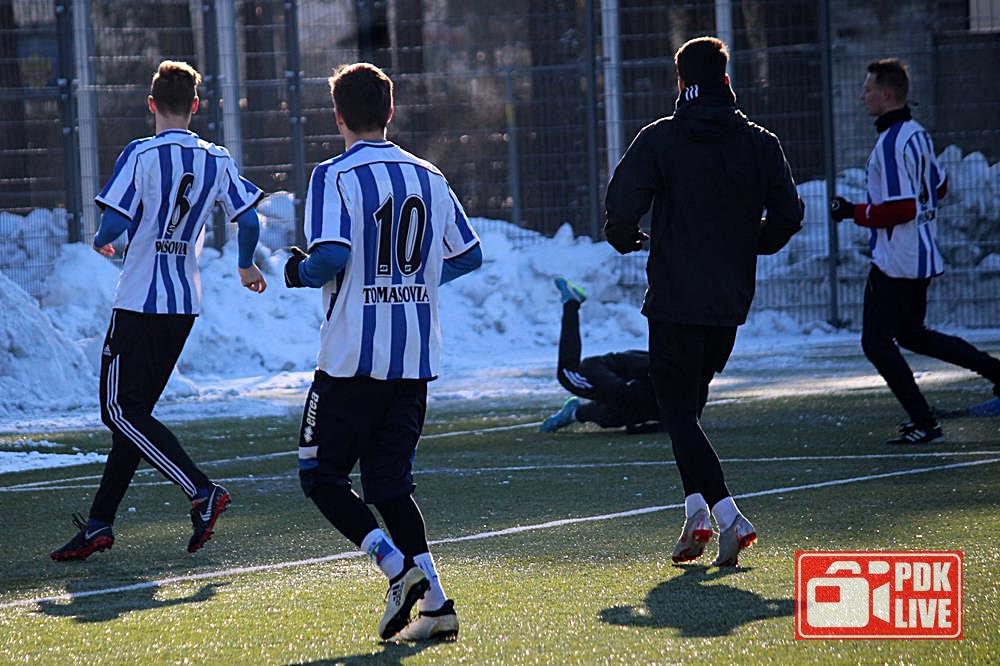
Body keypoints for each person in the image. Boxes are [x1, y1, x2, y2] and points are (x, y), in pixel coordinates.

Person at [283, 62, 482, 642]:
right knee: (390, 486)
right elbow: (468, 255)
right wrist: (414, 282)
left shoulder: (334, 174)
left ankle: (395, 568)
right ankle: (437, 607)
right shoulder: (430, 175)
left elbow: (330, 257)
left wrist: (297, 272)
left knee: (320, 476)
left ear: (337, 116)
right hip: (413, 359)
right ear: (390, 112)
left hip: (350, 361)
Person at [50, 60, 267, 561]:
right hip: (182, 303)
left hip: (139, 300)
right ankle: (100, 523)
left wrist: (102, 239)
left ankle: (200, 489)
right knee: (135, 416)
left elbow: (112, 225)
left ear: (151, 104)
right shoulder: (216, 157)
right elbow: (249, 220)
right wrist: (244, 265)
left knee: (117, 410)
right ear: (195, 105)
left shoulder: (141, 153)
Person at [604, 37, 802, 567]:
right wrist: (747, 244)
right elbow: (788, 216)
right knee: (687, 412)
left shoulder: (662, 138)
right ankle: (695, 514)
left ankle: (729, 515)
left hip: (674, 297)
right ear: (727, 81)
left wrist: (626, 236)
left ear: (680, 83)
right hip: (728, 301)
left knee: (676, 412)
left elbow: (621, 208)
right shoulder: (760, 143)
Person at [830, 58, 1000, 444]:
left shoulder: (892, 143)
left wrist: (852, 211)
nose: (862, 96)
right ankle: (996, 373)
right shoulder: (918, 133)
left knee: (876, 343)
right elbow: (940, 187)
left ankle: (925, 421)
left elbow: (903, 208)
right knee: (912, 335)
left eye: (868, 89)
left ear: (887, 95)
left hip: (896, 261)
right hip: (920, 254)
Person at [540, 277, 660, 434]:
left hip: (633, 389)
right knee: (567, 374)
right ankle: (571, 303)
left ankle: (574, 413)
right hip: (604, 369)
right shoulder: (670, 375)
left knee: (621, 412)